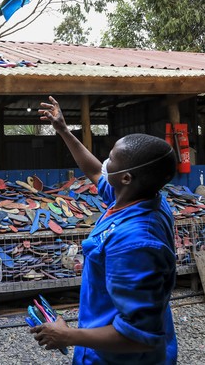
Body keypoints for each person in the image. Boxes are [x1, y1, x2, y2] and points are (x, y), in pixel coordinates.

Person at [30, 96, 178, 364]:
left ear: (126, 178)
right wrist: (63, 129)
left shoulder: (136, 243)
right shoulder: (137, 196)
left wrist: (68, 335)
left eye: (111, 158)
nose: (105, 162)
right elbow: (95, 172)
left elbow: (139, 336)